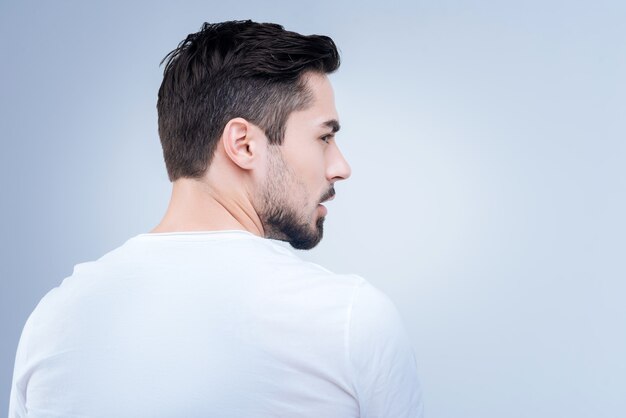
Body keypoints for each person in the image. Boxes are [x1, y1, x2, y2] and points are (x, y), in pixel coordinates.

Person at [9, 20, 424, 417]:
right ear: (243, 144)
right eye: (325, 137)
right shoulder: (350, 320)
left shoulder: (52, 322)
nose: (340, 167)